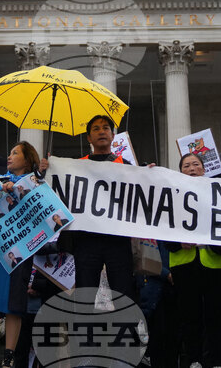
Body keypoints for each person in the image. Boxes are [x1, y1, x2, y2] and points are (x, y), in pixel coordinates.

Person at [0, 141, 42, 368]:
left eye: (15, 153)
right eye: (10, 152)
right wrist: (1, 190)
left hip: (19, 252)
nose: (10, 156)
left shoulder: (37, 184)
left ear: (28, 158)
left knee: (14, 304)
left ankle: (9, 356)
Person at [59, 114, 136, 300]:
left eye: (105, 128)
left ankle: (124, 330)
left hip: (117, 239)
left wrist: (151, 176)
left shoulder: (127, 167)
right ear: (88, 138)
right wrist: (47, 170)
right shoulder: (77, 166)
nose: (101, 131)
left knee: (122, 293)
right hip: (86, 240)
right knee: (85, 294)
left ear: (112, 135)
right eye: (96, 128)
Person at [165, 152, 221, 368]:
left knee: (217, 316)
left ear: (204, 169)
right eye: (186, 165)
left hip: (215, 263)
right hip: (184, 265)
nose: (192, 168)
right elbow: (163, 230)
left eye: (196, 164)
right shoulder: (172, 197)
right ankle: (194, 360)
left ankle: (218, 360)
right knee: (190, 317)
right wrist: (178, 243)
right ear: (180, 171)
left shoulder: (218, 194)